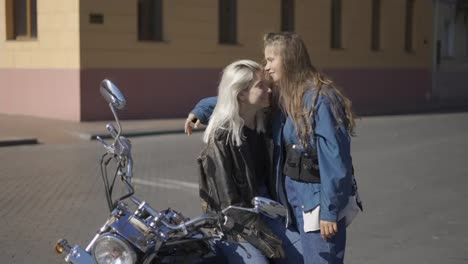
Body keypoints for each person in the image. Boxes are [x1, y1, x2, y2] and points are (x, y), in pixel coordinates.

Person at [185, 32, 361, 264]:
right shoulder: (284, 96)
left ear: (288, 59)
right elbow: (236, 97)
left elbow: (335, 161)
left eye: (270, 59)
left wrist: (330, 211)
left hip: (315, 202)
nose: (266, 66)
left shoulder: (319, 100)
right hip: (287, 202)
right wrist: (202, 109)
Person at [196, 59, 303, 264]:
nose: (269, 90)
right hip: (234, 223)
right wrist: (264, 238)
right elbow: (229, 207)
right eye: (260, 86)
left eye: (267, 85)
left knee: (303, 257)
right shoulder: (220, 139)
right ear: (241, 94)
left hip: (267, 210)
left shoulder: (267, 124)